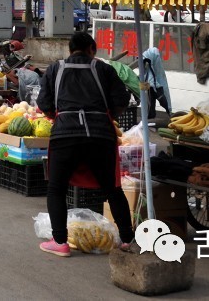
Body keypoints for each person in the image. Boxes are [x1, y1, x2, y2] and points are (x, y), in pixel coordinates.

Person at [36, 31, 134, 257]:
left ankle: (60, 241)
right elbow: (122, 100)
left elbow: (44, 103)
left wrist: (57, 115)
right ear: (93, 49)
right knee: (112, 189)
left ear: (69, 50)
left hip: (65, 135)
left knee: (56, 189)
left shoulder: (55, 69)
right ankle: (128, 239)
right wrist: (105, 114)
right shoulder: (104, 69)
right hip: (101, 135)